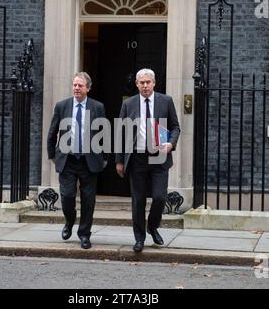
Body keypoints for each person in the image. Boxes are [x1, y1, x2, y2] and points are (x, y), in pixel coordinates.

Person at [115, 69, 180, 252]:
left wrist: (171, 144)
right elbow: (121, 132)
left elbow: (175, 126)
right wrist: (119, 160)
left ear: (154, 83)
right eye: (141, 82)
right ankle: (139, 238)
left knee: (159, 197)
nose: (144, 85)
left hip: (160, 156)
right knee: (138, 200)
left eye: (148, 82)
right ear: (137, 84)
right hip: (137, 157)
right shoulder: (129, 104)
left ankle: (152, 226)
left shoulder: (165, 101)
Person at [47, 72, 107, 249]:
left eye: (80, 85)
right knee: (67, 196)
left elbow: (104, 134)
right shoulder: (62, 106)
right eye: (74, 85)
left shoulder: (98, 107)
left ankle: (84, 234)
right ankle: (69, 221)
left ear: (88, 88)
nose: (76, 88)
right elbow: (52, 132)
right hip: (68, 160)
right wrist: (52, 155)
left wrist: (104, 158)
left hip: (89, 161)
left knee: (88, 200)